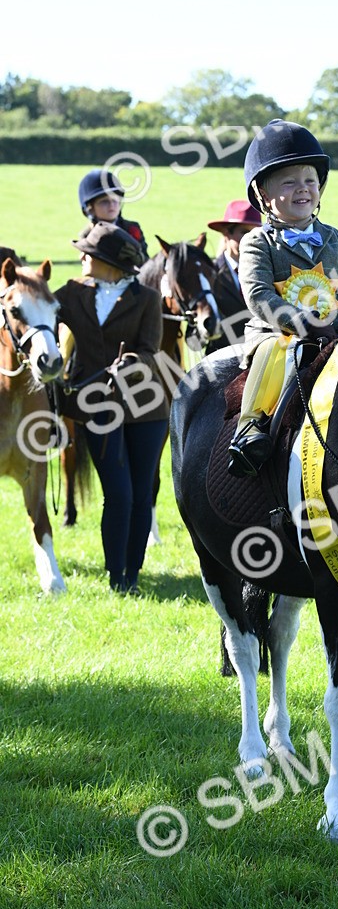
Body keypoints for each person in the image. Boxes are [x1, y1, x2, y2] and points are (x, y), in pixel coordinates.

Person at [228, 119, 338, 477]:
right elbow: (259, 294)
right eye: (289, 182)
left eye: (310, 180)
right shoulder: (257, 242)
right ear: (263, 193)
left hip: (336, 335)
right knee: (277, 354)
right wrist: (300, 323)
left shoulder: (337, 239)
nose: (303, 189)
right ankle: (251, 428)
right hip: (276, 335)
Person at [56, 222, 168, 594]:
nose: (81, 257)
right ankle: (115, 575)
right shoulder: (71, 293)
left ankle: (130, 577)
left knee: (139, 495)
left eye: (88, 252)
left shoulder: (148, 299)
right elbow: (36, 309)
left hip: (146, 410)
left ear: (109, 263)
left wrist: (131, 363)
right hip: (96, 408)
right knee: (118, 494)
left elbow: (151, 352)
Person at [205, 199, 262, 354]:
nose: (251, 239)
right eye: (244, 232)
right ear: (226, 233)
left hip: (261, 358)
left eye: (255, 233)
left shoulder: (267, 271)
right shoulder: (210, 274)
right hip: (220, 361)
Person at [78, 168, 148, 255]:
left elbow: (146, 262)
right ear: (90, 208)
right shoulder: (87, 236)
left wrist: (139, 258)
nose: (112, 205)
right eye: (104, 201)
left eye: (115, 200)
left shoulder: (131, 229)